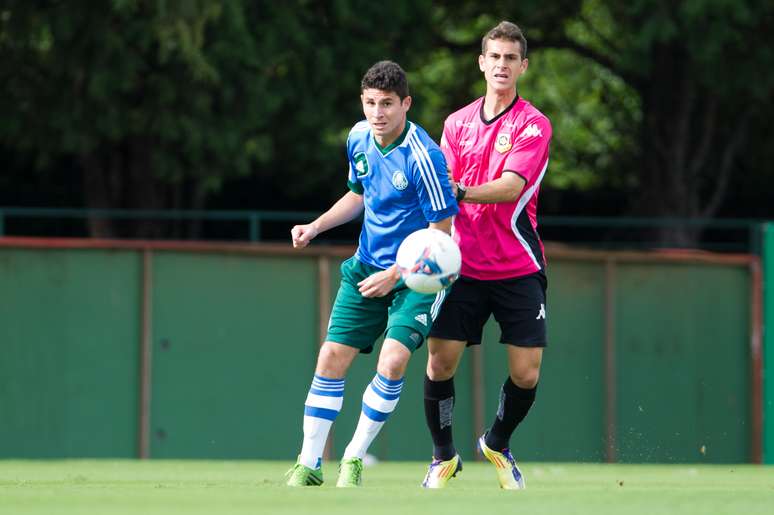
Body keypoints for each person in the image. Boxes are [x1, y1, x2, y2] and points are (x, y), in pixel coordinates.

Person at [285, 60, 458, 488]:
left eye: (387, 104)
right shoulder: (358, 138)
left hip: (420, 274)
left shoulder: (424, 156)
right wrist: (317, 225)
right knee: (330, 358)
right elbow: (357, 194)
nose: (377, 112)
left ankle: (354, 458)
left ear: (406, 104)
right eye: (370, 103)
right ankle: (309, 465)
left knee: (393, 359)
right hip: (365, 266)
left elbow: (441, 235)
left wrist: (397, 274)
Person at [421, 21, 552, 490]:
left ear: (523, 66)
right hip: (461, 266)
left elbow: (512, 186)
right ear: (481, 62)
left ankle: (497, 440)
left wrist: (460, 191)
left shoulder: (534, 124)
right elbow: (439, 189)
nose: (501, 65)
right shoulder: (456, 123)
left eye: (510, 58)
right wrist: (429, 246)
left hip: (518, 265)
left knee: (526, 372)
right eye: (494, 56)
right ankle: (442, 457)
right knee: (440, 362)